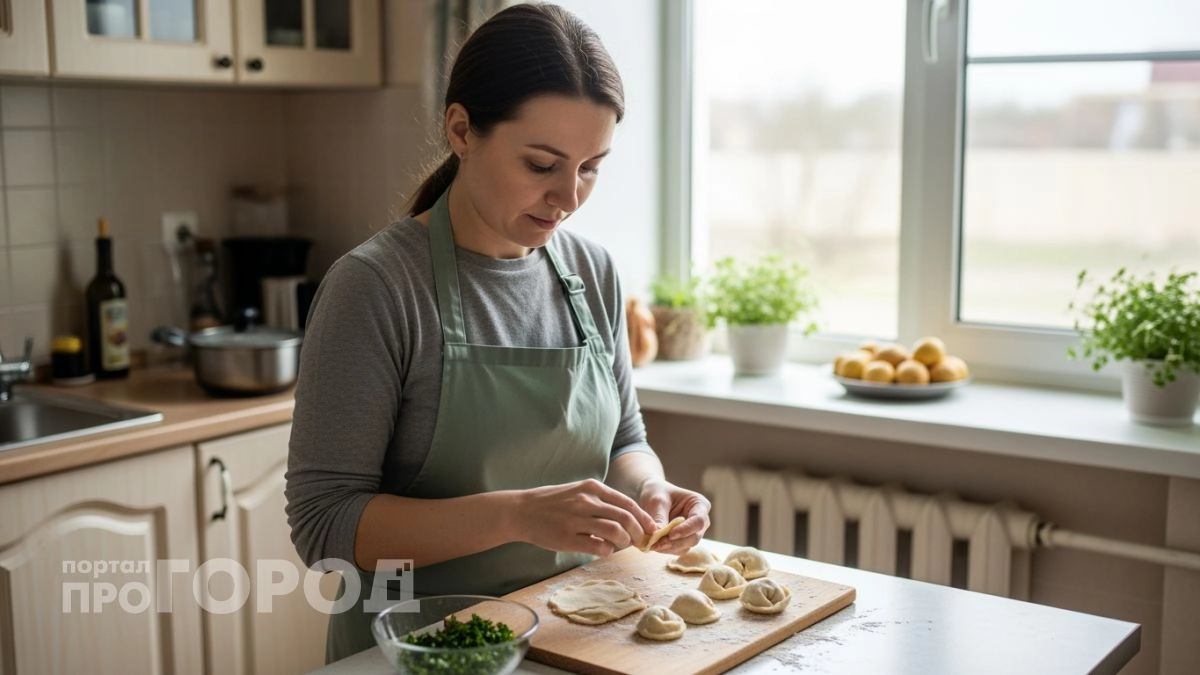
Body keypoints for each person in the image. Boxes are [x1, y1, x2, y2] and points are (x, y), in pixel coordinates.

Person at [284, 2, 711, 662]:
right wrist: (517, 514)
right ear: (461, 129)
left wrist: (650, 489)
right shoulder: (375, 286)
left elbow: (625, 438)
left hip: (572, 637)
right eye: (542, 164)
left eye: (591, 166)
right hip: (418, 650)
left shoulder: (592, 272)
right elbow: (325, 523)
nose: (568, 196)